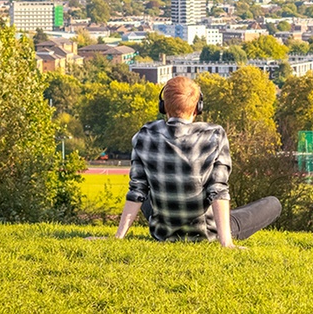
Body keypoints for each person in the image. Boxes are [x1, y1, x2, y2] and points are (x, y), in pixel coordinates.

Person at [115, 76, 281, 248]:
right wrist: (227, 243)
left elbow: (137, 190)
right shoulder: (214, 135)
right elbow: (218, 190)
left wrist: (118, 237)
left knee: (146, 191)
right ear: (197, 108)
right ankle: (222, 229)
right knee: (273, 204)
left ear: (164, 107)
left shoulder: (145, 134)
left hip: (163, 233)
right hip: (206, 233)